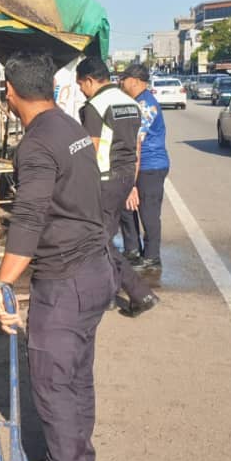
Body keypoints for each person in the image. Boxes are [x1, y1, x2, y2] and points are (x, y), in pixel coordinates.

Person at [0, 52, 115, 461]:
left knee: (55, 386)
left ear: (10, 91)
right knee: (76, 379)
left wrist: (3, 283)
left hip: (66, 281)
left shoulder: (37, 143)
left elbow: (30, 216)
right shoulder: (70, 126)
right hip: (93, 268)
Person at [76, 56, 160, 317]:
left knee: (98, 239)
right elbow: (136, 146)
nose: (81, 90)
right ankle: (112, 294)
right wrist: (132, 183)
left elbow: (92, 146)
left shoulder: (95, 106)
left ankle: (139, 293)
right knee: (104, 237)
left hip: (103, 178)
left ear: (90, 80)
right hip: (125, 175)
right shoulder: (131, 103)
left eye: (81, 85)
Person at [117, 63, 170, 273]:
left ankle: (152, 256)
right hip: (139, 165)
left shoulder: (145, 105)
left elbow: (136, 144)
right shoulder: (135, 102)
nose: (121, 82)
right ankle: (132, 250)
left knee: (148, 212)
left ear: (135, 81)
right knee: (127, 206)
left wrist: (131, 180)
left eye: (124, 78)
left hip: (150, 166)